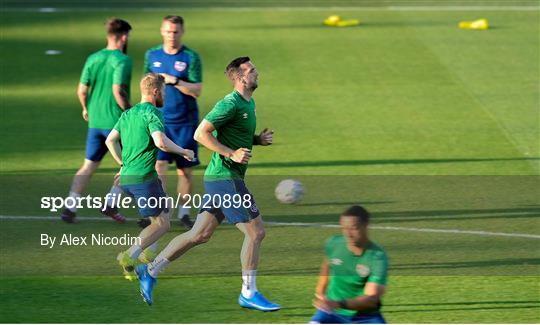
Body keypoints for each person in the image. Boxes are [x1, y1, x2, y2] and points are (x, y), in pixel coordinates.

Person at [134, 57, 278, 312]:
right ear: (240, 77)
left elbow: (235, 133)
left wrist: (257, 140)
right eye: (252, 70)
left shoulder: (248, 103)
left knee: (199, 234)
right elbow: (200, 134)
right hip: (225, 179)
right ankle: (248, 292)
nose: (257, 72)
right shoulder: (229, 103)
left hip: (219, 179)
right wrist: (230, 154)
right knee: (256, 233)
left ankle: (150, 271)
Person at [106, 73, 194, 280]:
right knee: (163, 224)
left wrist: (123, 164)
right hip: (143, 179)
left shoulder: (128, 113)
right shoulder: (153, 113)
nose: (164, 95)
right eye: (163, 91)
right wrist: (184, 151)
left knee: (165, 207)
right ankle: (129, 255)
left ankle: (148, 252)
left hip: (128, 178)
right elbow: (160, 143)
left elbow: (110, 141)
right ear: (155, 91)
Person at [61, 18, 133, 224]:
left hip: (95, 123)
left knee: (88, 166)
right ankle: (111, 203)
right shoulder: (122, 60)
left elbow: (82, 90)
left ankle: (70, 207)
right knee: (128, 165)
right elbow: (118, 90)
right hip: (115, 124)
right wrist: (130, 111)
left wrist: (85, 108)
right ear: (124, 36)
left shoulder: (93, 58)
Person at [143, 15, 203, 229]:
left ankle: (184, 213)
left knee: (184, 170)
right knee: (158, 167)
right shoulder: (152, 55)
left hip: (185, 123)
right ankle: (157, 211)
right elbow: (146, 87)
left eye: (175, 31)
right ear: (162, 31)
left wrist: (174, 81)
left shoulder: (190, 57)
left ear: (182, 32)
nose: (171, 35)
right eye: (168, 31)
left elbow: (197, 91)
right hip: (159, 122)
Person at [310, 205, 388, 324]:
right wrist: (320, 292)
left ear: (366, 225)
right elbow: (326, 265)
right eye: (344, 228)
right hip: (331, 313)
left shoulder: (377, 257)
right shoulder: (333, 243)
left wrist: (337, 304)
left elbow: (371, 299)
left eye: (353, 228)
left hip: (366, 317)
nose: (348, 234)